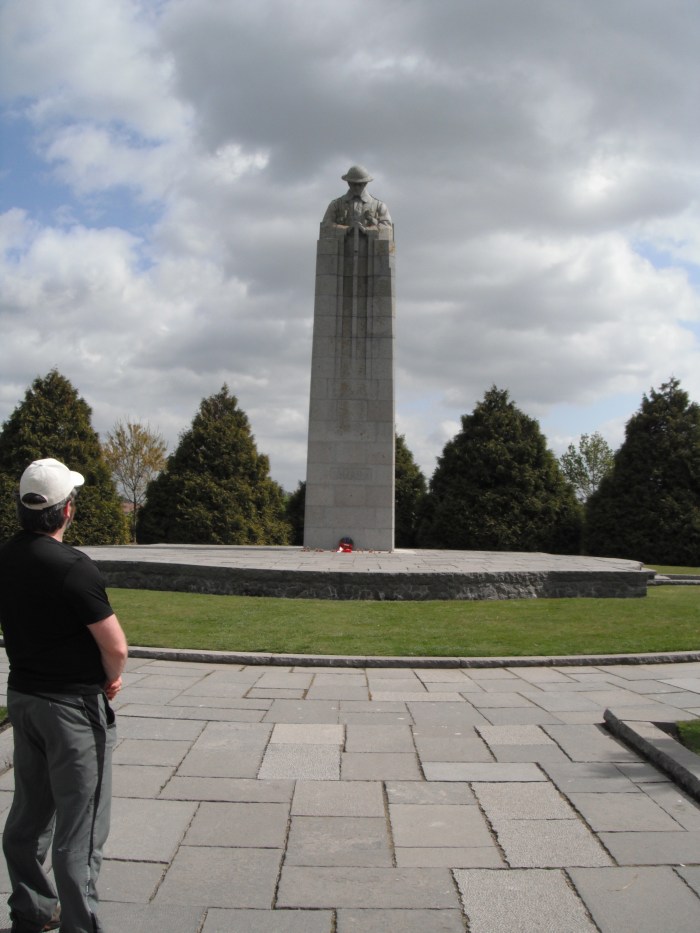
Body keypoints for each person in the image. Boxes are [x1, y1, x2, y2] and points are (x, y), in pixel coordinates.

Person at [0, 458, 128, 933]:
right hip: (73, 708)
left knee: (29, 814)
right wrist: (110, 678)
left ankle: (31, 911)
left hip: (25, 699)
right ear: (67, 510)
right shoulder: (73, 567)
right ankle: (81, 924)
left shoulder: (5, 557)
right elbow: (115, 646)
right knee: (81, 828)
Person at [321, 164, 392, 235]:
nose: (357, 187)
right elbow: (326, 225)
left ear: (365, 183)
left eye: (360, 184)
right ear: (348, 183)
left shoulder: (379, 206)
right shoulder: (336, 204)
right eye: (354, 184)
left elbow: (387, 227)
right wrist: (345, 230)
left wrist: (367, 230)